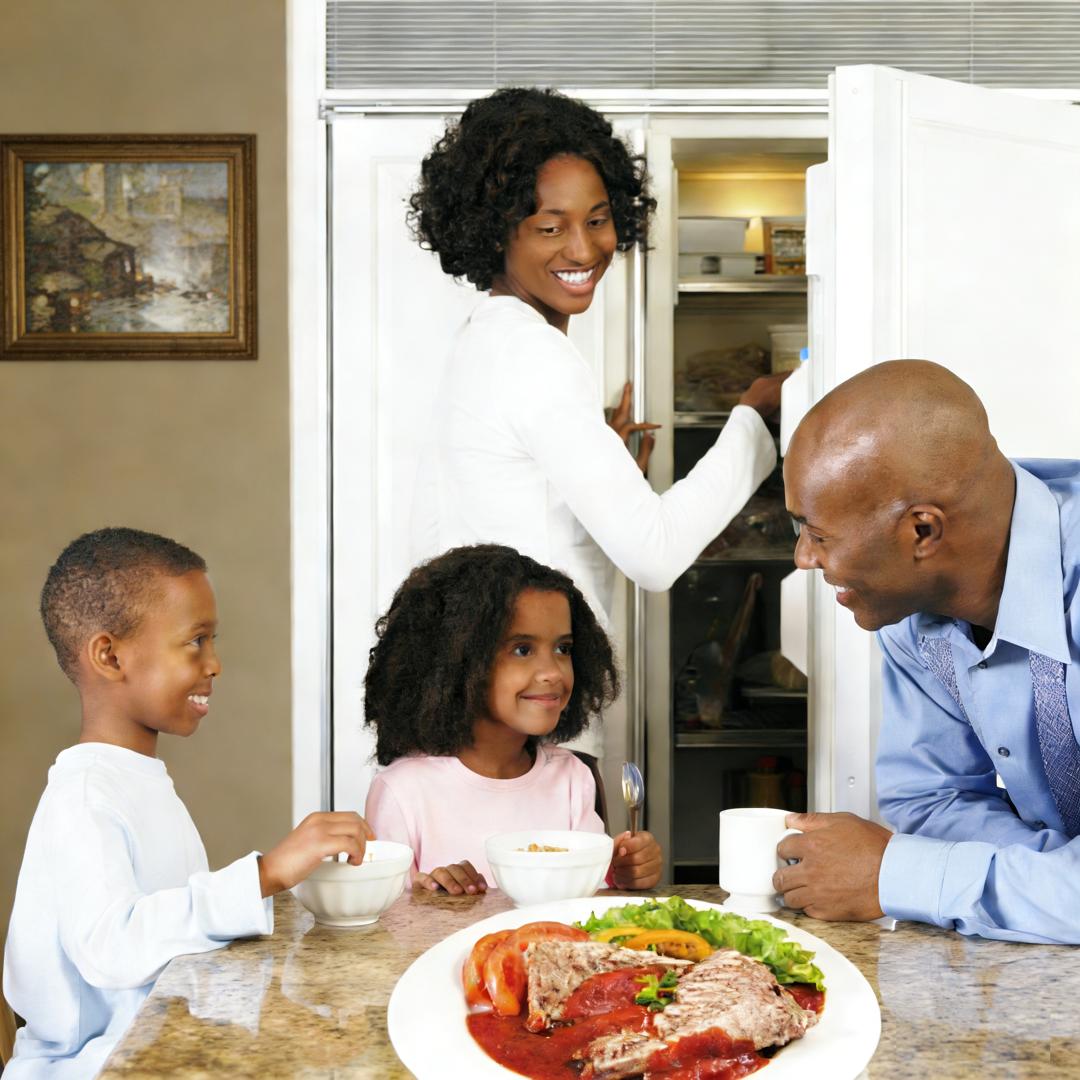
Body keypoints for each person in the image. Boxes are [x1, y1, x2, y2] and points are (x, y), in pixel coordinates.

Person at [408, 87, 786, 759]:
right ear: (497, 232)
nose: (584, 249)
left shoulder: (491, 338)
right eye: (550, 227)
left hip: (486, 708)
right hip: (531, 723)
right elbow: (657, 554)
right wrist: (756, 418)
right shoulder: (533, 352)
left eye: (600, 218)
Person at [3, 528, 375, 1077]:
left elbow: (175, 943)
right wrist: (265, 874)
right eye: (196, 640)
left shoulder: (137, 779)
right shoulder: (82, 797)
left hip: (155, 1048)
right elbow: (112, 947)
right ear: (110, 655)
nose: (215, 663)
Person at [774, 360, 1080, 944]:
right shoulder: (912, 611)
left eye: (818, 534)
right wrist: (1054, 882)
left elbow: (927, 847)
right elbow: (933, 798)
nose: (803, 558)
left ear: (922, 532)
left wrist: (899, 872)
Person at [363, 544, 663, 894]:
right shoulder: (404, 791)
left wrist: (622, 874)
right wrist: (430, 894)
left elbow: (587, 900)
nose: (552, 672)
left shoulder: (571, 778)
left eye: (563, 649)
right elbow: (386, 920)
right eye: (522, 649)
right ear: (457, 663)